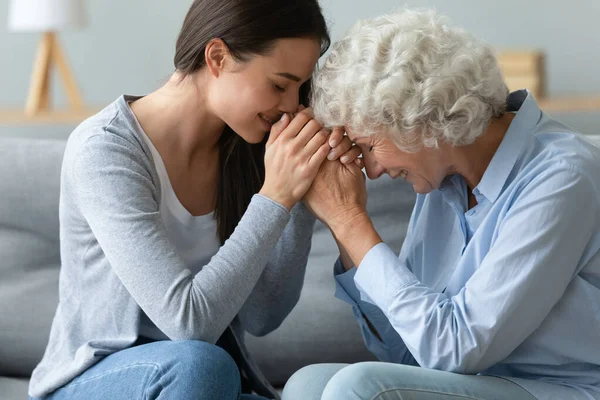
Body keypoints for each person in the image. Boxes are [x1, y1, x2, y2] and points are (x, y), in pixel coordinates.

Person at [28, 1, 362, 399]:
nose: (291, 106)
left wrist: (300, 193)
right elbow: (188, 324)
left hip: (202, 384)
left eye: (298, 89)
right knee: (202, 367)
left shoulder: (250, 148)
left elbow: (263, 315)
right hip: (96, 381)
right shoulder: (105, 151)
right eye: (278, 85)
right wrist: (276, 195)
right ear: (217, 57)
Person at [284, 8, 600, 400]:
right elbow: (404, 354)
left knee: (360, 388)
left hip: (568, 389)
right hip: (482, 383)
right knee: (306, 385)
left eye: (368, 146)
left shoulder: (563, 177)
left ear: (418, 118)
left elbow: (455, 348)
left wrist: (351, 222)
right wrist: (344, 223)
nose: (374, 170)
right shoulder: (441, 182)